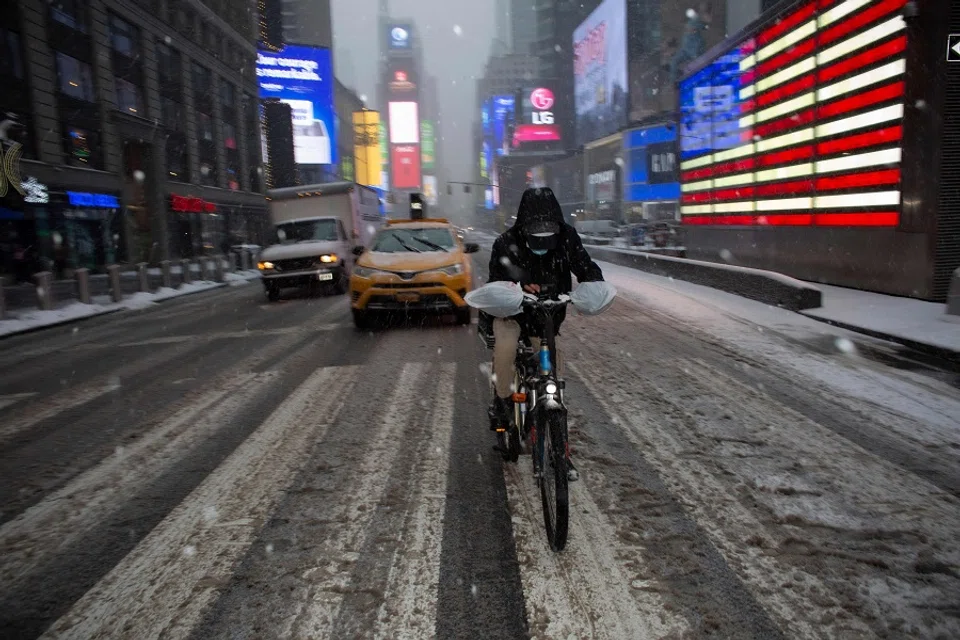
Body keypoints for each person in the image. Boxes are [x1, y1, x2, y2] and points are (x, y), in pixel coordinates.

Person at [480, 187, 605, 481]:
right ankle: (503, 401)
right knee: (506, 352)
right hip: (512, 313)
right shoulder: (505, 243)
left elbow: (583, 265)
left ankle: (560, 452)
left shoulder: (566, 238)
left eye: (548, 227)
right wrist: (519, 286)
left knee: (554, 375)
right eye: (536, 228)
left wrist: (595, 282)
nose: (542, 235)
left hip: (545, 316)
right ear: (524, 225)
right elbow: (496, 280)